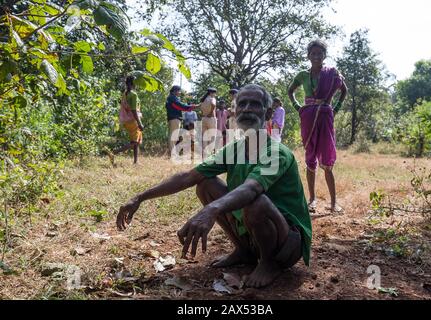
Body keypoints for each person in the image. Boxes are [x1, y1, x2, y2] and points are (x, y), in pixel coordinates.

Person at [117, 84, 312, 289]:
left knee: (256, 202)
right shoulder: (234, 149)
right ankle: (243, 250)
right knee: (205, 184)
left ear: (268, 112)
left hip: (286, 244)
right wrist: (140, 197)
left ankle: (268, 263)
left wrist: (211, 209)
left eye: (254, 104)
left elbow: (252, 189)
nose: (246, 109)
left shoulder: (276, 152)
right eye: (241, 104)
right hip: (254, 233)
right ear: (234, 111)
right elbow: (188, 176)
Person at [288, 40, 347, 213]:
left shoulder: (333, 73)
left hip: (325, 116)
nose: (316, 56)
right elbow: (290, 91)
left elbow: (344, 90)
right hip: (308, 116)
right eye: (313, 53)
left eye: (319, 53)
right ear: (308, 56)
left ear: (324, 56)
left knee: (328, 157)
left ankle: (334, 202)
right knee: (310, 157)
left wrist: (336, 108)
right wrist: (298, 107)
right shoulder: (302, 75)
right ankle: (312, 200)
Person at [110, 76, 144, 164]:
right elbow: (133, 110)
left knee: (136, 140)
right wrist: (140, 123)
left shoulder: (125, 93)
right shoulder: (133, 94)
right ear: (134, 83)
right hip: (133, 120)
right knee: (134, 143)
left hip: (127, 120)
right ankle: (113, 152)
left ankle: (136, 162)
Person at [166, 85, 197, 156]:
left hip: (174, 118)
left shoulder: (171, 98)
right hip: (174, 118)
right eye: (179, 91)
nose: (179, 93)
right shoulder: (173, 98)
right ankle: (172, 154)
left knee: (174, 136)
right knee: (173, 136)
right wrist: (192, 107)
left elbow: (180, 106)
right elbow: (180, 106)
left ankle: (172, 153)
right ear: (175, 91)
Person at [199, 87, 218, 158]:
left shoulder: (203, 100)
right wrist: (210, 113)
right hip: (211, 118)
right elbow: (213, 104)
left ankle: (204, 156)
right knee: (212, 137)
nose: (215, 94)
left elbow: (200, 108)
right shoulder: (212, 98)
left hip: (204, 118)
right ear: (211, 93)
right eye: (214, 93)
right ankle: (210, 155)